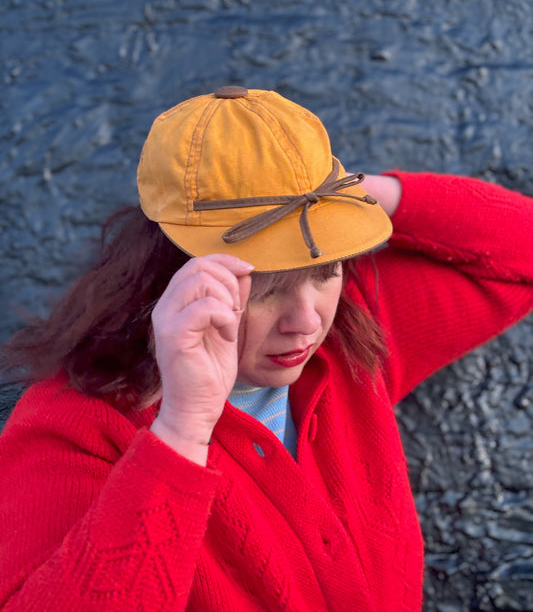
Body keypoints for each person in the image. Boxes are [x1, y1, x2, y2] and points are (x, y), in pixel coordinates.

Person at [0, 86, 531, 612]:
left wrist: (349, 194)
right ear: (172, 273)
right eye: (266, 286)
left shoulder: (354, 340)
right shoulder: (75, 429)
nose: (305, 322)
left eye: (326, 271)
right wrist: (182, 432)